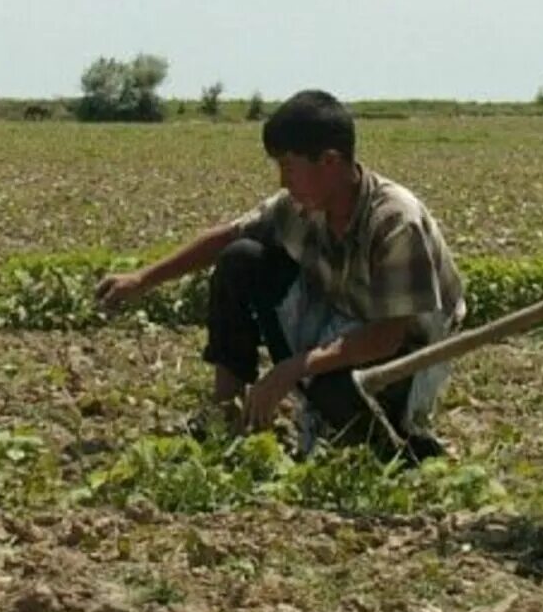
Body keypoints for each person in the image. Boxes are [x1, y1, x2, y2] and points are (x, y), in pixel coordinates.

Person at [95, 90, 463, 459]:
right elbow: (228, 235)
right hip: (341, 317)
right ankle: (227, 416)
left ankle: (400, 446)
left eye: (289, 165)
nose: (283, 180)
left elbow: (386, 336)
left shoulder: (395, 222)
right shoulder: (301, 206)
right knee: (240, 258)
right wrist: (143, 279)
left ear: (330, 162)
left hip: (408, 347)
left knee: (332, 390)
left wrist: (292, 369)